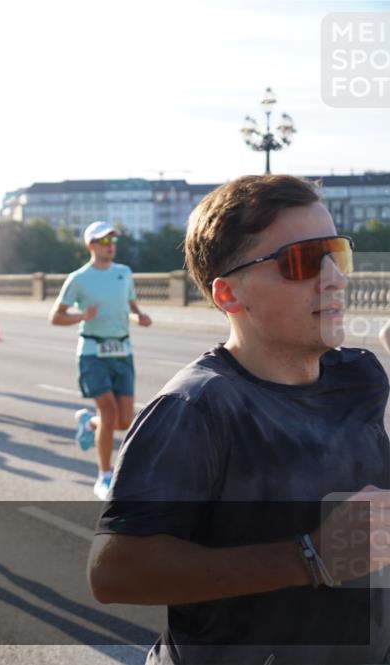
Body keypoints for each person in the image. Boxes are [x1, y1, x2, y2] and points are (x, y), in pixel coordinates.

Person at [88, 175, 390, 665]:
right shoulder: (196, 407)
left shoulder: (358, 377)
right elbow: (113, 572)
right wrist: (308, 558)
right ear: (229, 295)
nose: (335, 277)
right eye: (304, 261)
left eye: (337, 252)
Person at [49, 220, 152, 500]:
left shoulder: (124, 273)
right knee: (108, 412)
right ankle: (105, 476)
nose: (110, 246)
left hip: (122, 350)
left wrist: (139, 317)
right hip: (93, 353)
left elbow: (130, 307)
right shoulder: (79, 278)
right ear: (90, 245)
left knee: (123, 421)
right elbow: (56, 317)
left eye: (113, 241)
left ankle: (88, 423)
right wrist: (82, 317)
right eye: (104, 242)